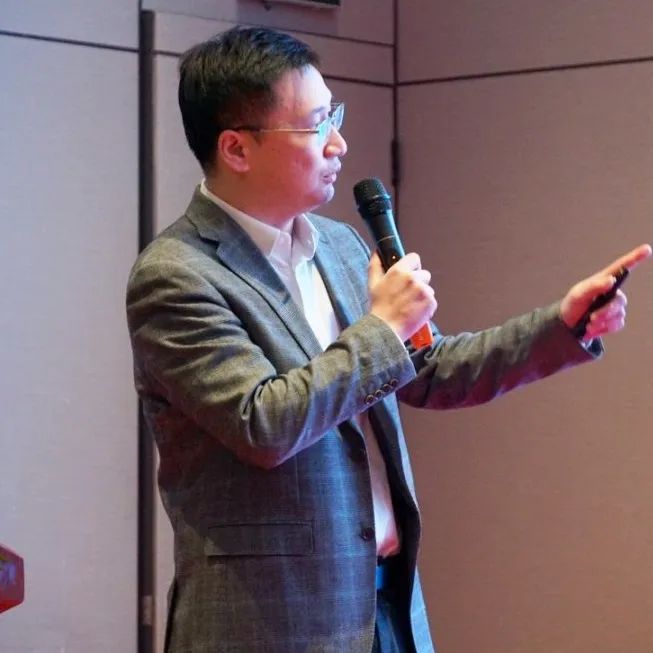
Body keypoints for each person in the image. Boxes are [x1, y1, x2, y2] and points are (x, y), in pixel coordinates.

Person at [126, 26, 651, 653]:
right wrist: (382, 327)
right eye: (315, 125)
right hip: (272, 624)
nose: (339, 143)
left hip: (387, 608)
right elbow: (263, 424)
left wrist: (560, 326)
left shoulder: (339, 245)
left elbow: (425, 368)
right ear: (236, 148)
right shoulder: (178, 274)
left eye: (335, 116)